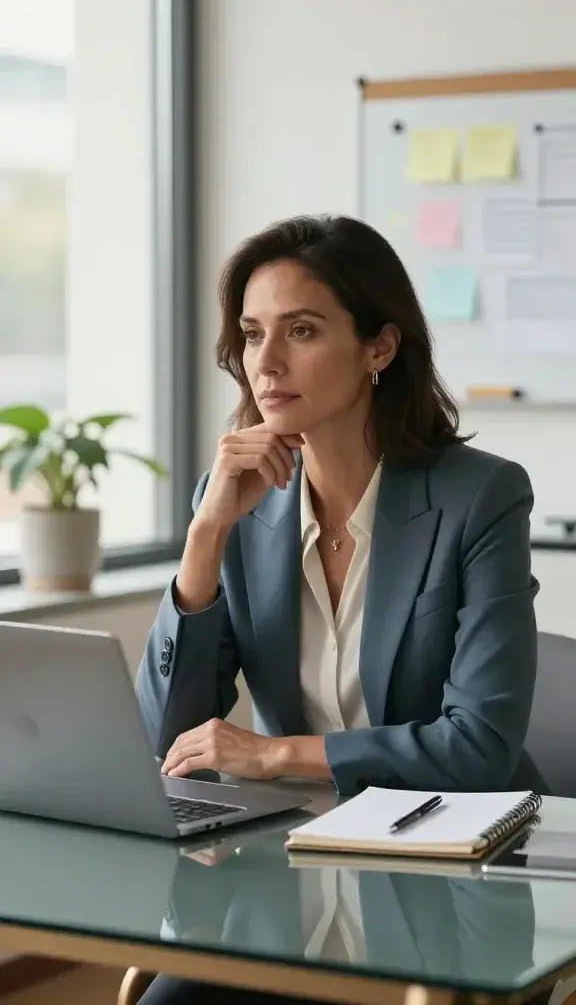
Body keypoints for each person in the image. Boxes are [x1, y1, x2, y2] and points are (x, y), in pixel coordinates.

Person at [136, 214, 545, 1003]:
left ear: (379, 349)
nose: (268, 361)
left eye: (302, 330)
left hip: (452, 877)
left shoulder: (481, 497)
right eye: (253, 334)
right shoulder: (237, 508)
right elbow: (172, 734)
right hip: (291, 871)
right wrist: (205, 534)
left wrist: (276, 754)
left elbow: (480, 749)